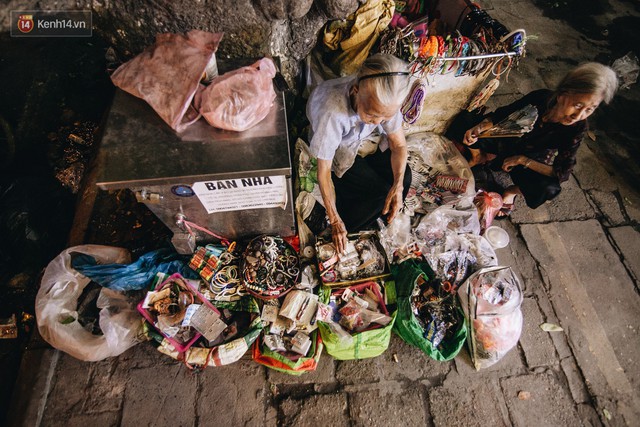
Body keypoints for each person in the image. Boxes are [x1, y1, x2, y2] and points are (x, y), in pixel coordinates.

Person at [462, 62, 618, 216]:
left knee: (549, 188)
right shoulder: (541, 97)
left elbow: (561, 172)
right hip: (508, 139)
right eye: (577, 105)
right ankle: (479, 157)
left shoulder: (578, 128)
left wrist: (523, 160)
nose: (578, 116)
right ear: (563, 95)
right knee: (465, 121)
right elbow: (503, 114)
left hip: (532, 157)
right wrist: (480, 127)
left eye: (589, 109)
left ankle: (511, 192)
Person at [306, 53, 412, 253]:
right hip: (337, 152)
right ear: (355, 91)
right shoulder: (333, 113)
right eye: (372, 114)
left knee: (404, 177)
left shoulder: (384, 100)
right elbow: (323, 171)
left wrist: (397, 186)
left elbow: (398, 146)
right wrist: (334, 220)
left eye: (385, 117)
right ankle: (349, 230)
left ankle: (377, 218)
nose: (379, 122)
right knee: (379, 195)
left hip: (361, 143)